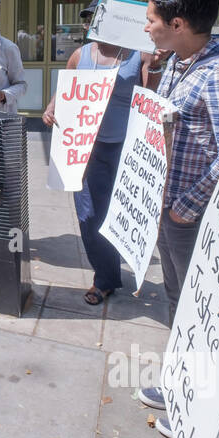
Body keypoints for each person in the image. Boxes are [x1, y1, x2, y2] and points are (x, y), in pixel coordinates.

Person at [139, 0, 219, 437]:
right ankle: (179, 382)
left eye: (152, 20)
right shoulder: (176, 64)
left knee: (203, 311)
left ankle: (205, 406)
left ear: (180, 23)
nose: (147, 27)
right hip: (169, 211)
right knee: (177, 300)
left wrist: (184, 208)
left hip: (196, 218)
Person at [42, 37, 143, 306]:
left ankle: (118, 270)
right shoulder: (80, 55)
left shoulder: (138, 55)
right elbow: (66, 89)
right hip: (84, 146)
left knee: (117, 214)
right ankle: (104, 278)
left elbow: (151, 95)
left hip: (124, 147)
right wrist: (52, 108)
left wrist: (154, 67)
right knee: (89, 215)